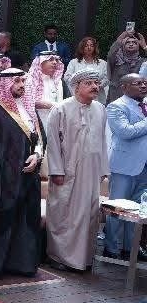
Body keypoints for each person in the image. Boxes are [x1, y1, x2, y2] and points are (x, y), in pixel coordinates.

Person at [0, 68, 46, 277]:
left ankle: (21, 265)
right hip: (2, 177)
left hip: (28, 175)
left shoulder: (28, 107)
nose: (21, 85)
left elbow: (40, 138)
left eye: (23, 81)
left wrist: (37, 156)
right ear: (5, 84)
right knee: (2, 220)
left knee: (25, 219)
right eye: (16, 81)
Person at [45, 69, 109, 272]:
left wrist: (103, 168)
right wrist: (56, 170)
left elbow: (103, 141)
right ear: (76, 87)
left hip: (91, 172)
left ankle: (83, 259)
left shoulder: (100, 108)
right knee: (64, 214)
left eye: (96, 83)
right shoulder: (60, 109)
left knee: (88, 214)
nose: (95, 87)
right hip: (67, 171)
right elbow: (53, 143)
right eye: (89, 83)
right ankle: (58, 256)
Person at [104, 74, 147, 260]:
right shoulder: (116, 106)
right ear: (125, 87)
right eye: (138, 83)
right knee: (117, 209)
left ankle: (130, 248)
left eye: (145, 83)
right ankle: (111, 248)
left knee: (137, 210)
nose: (143, 86)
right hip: (124, 166)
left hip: (144, 167)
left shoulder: (145, 105)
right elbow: (125, 132)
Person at [25, 50, 69, 129]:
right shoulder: (31, 80)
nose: (55, 62)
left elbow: (67, 99)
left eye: (56, 60)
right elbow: (28, 102)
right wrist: (51, 105)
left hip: (58, 121)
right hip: (39, 122)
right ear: (41, 62)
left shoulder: (59, 81)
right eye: (51, 59)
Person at [64, 36, 110, 103]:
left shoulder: (102, 63)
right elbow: (67, 77)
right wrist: (79, 86)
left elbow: (107, 77)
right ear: (82, 48)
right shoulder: (73, 62)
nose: (89, 48)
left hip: (98, 98)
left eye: (91, 45)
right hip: (79, 98)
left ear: (95, 48)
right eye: (86, 46)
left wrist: (99, 85)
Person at [107, 31, 146, 103]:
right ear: (123, 45)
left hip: (136, 101)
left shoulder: (143, 62)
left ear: (138, 46)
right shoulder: (116, 60)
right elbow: (110, 54)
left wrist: (144, 46)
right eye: (127, 42)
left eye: (134, 42)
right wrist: (122, 36)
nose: (131, 44)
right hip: (116, 100)